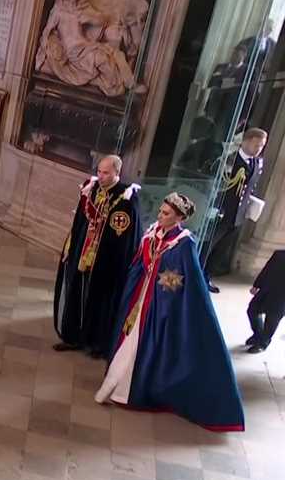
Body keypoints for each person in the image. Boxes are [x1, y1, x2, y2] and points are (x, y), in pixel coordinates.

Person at [95, 193, 244, 432]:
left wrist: (160, 286)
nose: (159, 216)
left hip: (159, 304)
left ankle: (124, 389)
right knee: (128, 338)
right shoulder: (153, 233)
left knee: (139, 344)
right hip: (139, 298)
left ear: (178, 218)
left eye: (165, 214)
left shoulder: (184, 244)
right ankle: (116, 385)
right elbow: (139, 263)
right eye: (160, 211)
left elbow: (185, 280)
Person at [53, 155, 141, 358]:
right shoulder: (91, 189)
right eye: (99, 171)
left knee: (100, 301)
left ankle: (96, 343)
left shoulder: (126, 198)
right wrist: (71, 248)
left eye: (106, 173)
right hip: (83, 254)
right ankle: (73, 336)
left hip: (106, 262)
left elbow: (125, 237)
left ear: (117, 173)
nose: (100, 176)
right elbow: (79, 223)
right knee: (77, 293)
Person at [204, 128, 268, 291]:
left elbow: (250, 187)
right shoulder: (229, 159)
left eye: (261, 146)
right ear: (246, 141)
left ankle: (207, 277)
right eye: (256, 145)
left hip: (238, 215)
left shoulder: (257, 162)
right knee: (208, 245)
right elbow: (215, 185)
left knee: (221, 249)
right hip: (222, 211)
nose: (259, 149)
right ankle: (196, 276)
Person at [246, 250, 284, 354]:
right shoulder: (279, 254)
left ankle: (262, 343)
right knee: (252, 310)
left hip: (282, 297)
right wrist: (256, 284)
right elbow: (266, 270)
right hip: (267, 290)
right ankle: (258, 334)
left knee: (272, 319)